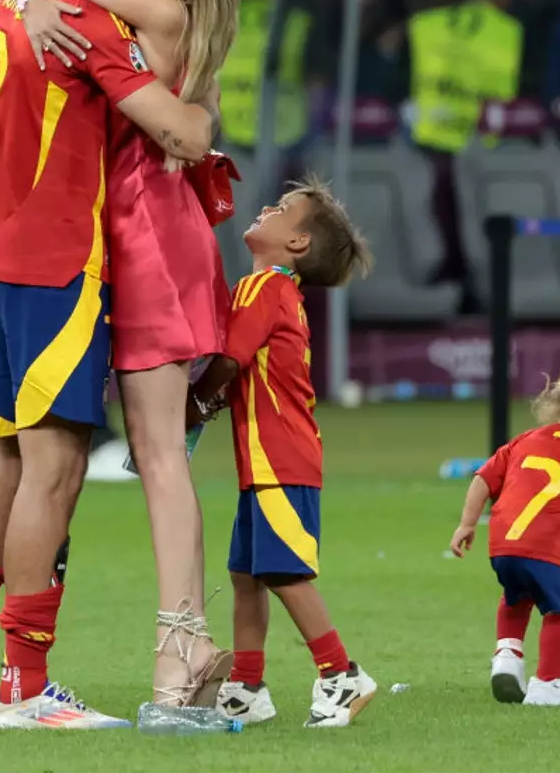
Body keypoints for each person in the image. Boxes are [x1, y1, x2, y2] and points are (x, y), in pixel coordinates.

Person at [0, 0, 222, 732]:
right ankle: (24, 687)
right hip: (58, 264)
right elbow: (182, 130)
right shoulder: (99, 18)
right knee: (54, 473)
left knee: (7, 460)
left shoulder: (18, 1)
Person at [0, 0, 244, 706]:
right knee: (157, 456)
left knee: (160, 457)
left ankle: (181, 650)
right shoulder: (168, 7)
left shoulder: (158, 7)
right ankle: (187, 648)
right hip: (138, 235)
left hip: (147, 241)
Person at [187, 176, 380, 728]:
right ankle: (247, 687)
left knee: (284, 571)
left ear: (297, 244)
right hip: (269, 461)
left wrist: (192, 406)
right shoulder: (278, 294)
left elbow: (227, 363)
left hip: (279, 460)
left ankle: (340, 674)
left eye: (281, 208)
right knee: (247, 573)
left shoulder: (265, 288)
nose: (266, 207)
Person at [448, 357, 560, 708]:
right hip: (550, 546)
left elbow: (482, 479)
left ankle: (507, 655)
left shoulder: (525, 440)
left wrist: (468, 524)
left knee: (516, 596)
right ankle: (548, 684)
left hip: (503, 545)